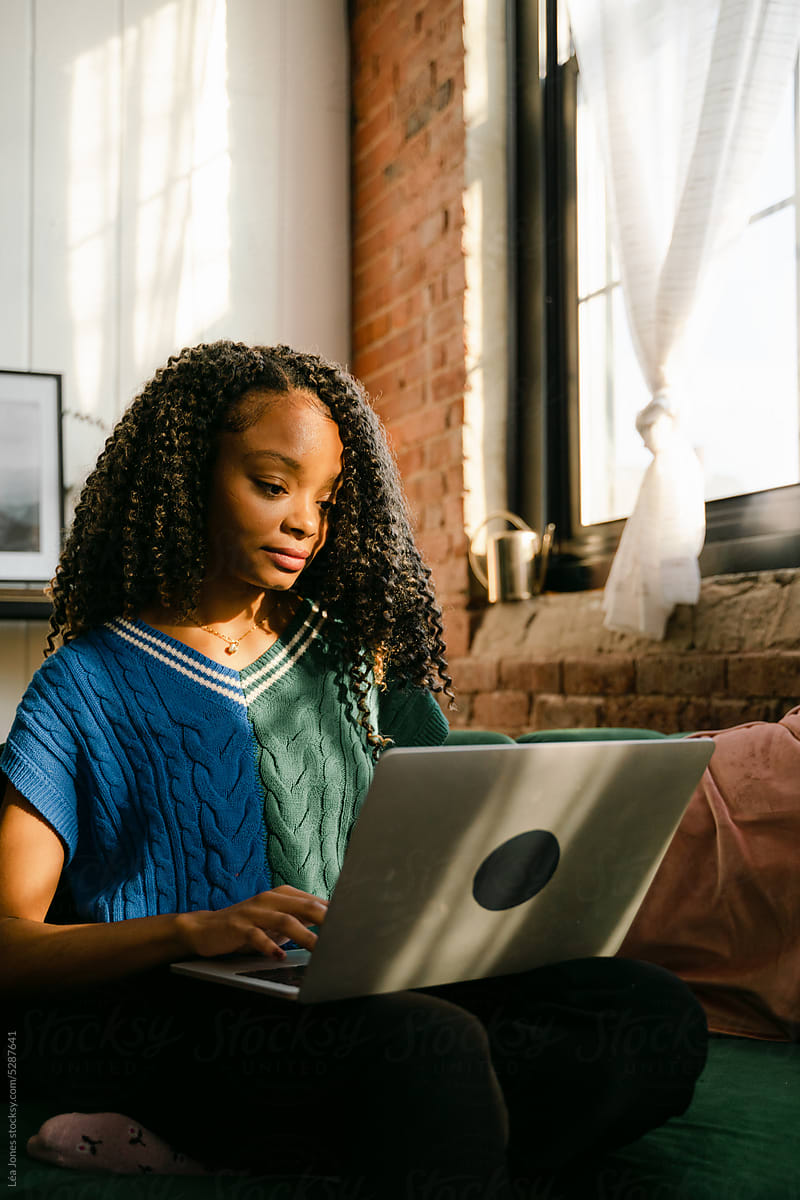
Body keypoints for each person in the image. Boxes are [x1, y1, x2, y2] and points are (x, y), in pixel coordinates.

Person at [0, 340, 708, 1197]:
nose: (306, 521)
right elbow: (13, 945)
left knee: (644, 1012)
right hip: (182, 1018)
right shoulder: (83, 685)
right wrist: (196, 929)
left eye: (326, 499)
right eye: (272, 485)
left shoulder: (347, 657)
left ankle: (317, 1148)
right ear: (186, 480)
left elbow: (448, 837)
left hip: (349, 991)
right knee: (433, 1049)